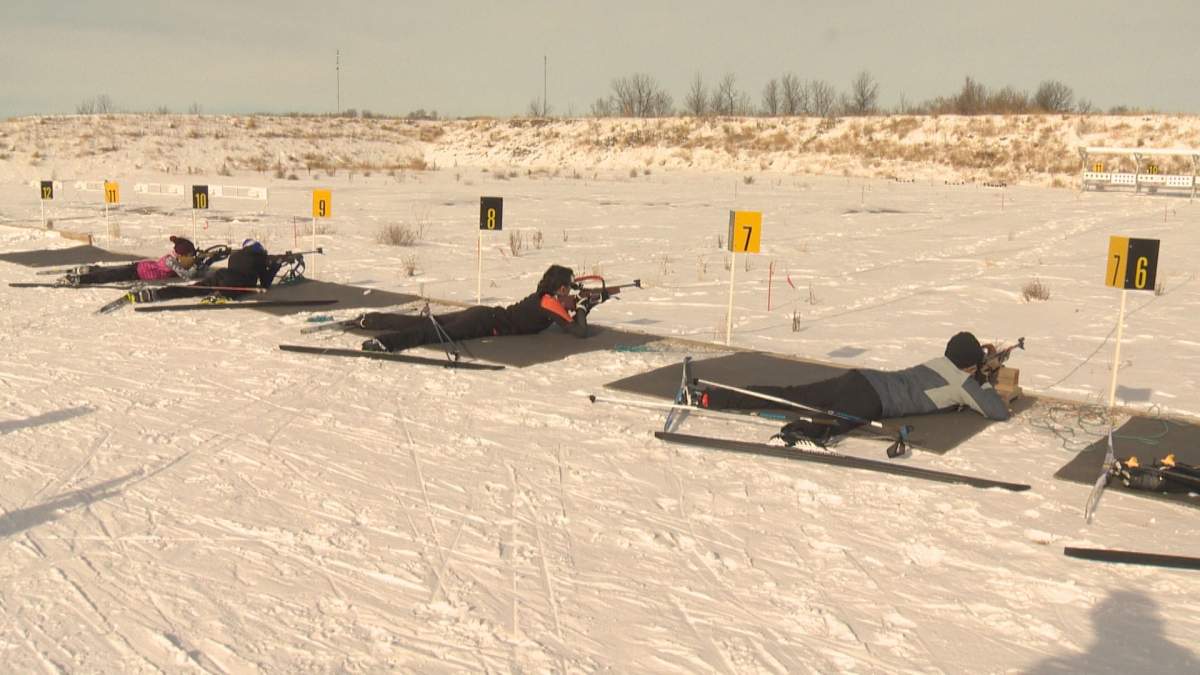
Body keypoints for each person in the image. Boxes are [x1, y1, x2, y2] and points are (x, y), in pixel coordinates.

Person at [695, 331, 1011, 445]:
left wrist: (978, 367)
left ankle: (712, 397)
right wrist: (983, 380)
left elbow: (962, 367)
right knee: (834, 425)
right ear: (970, 365)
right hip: (871, 400)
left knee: (788, 393)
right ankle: (796, 434)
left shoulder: (938, 363)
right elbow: (997, 411)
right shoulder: (964, 384)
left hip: (860, 379)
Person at [358, 264, 601, 352]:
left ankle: (371, 320)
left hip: (484, 315)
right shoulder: (549, 302)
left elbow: (568, 320)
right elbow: (578, 331)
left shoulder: (546, 298)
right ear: (559, 288)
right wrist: (581, 308)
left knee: (423, 324)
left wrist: (583, 307)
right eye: (567, 287)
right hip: (485, 322)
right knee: (432, 333)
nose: (569, 291)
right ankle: (386, 342)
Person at [116, 239, 287, 306]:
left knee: (193, 288)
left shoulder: (237, 255)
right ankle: (219, 296)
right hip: (235, 282)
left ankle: (152, 294)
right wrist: (275, 265)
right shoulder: (259, 258)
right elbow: (265, 283)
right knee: (232, 291)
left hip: (222, 275)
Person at [63, 236, 203, 286]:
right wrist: (196, 267)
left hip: (139, 268)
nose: (190, 258)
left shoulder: (173, 259)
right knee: (108, 276)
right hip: (138, 272)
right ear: (182, 255)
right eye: (189, 255)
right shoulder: (171, 262)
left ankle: (90, 270)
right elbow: (187, 276)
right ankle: (80, 279)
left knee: (112, 271)